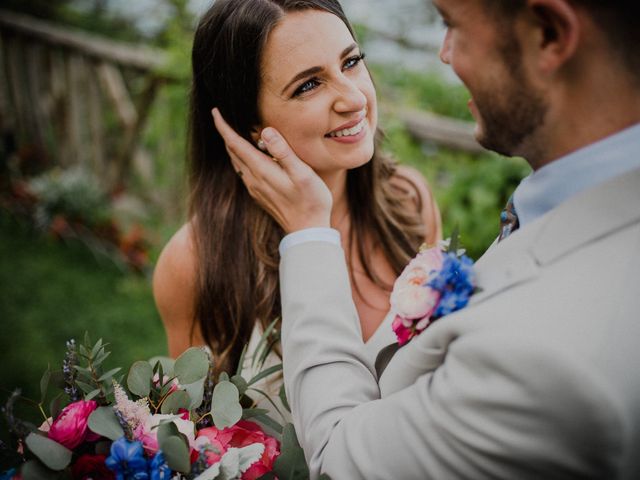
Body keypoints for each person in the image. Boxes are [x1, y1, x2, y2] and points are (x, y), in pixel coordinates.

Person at [213, 0, 640, 478]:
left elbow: (337, 457)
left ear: (549, 33)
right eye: (309, 84)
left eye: (452, 26)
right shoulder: (200, 261)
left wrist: (310, 234)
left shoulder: (545, 365)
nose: (443, 54)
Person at [153, 0, 441, 389]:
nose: (354, 99)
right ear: (249, 123)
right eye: (309, 84)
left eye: (351, 62)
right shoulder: (197, 260)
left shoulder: (409, 201)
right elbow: (200, 437)